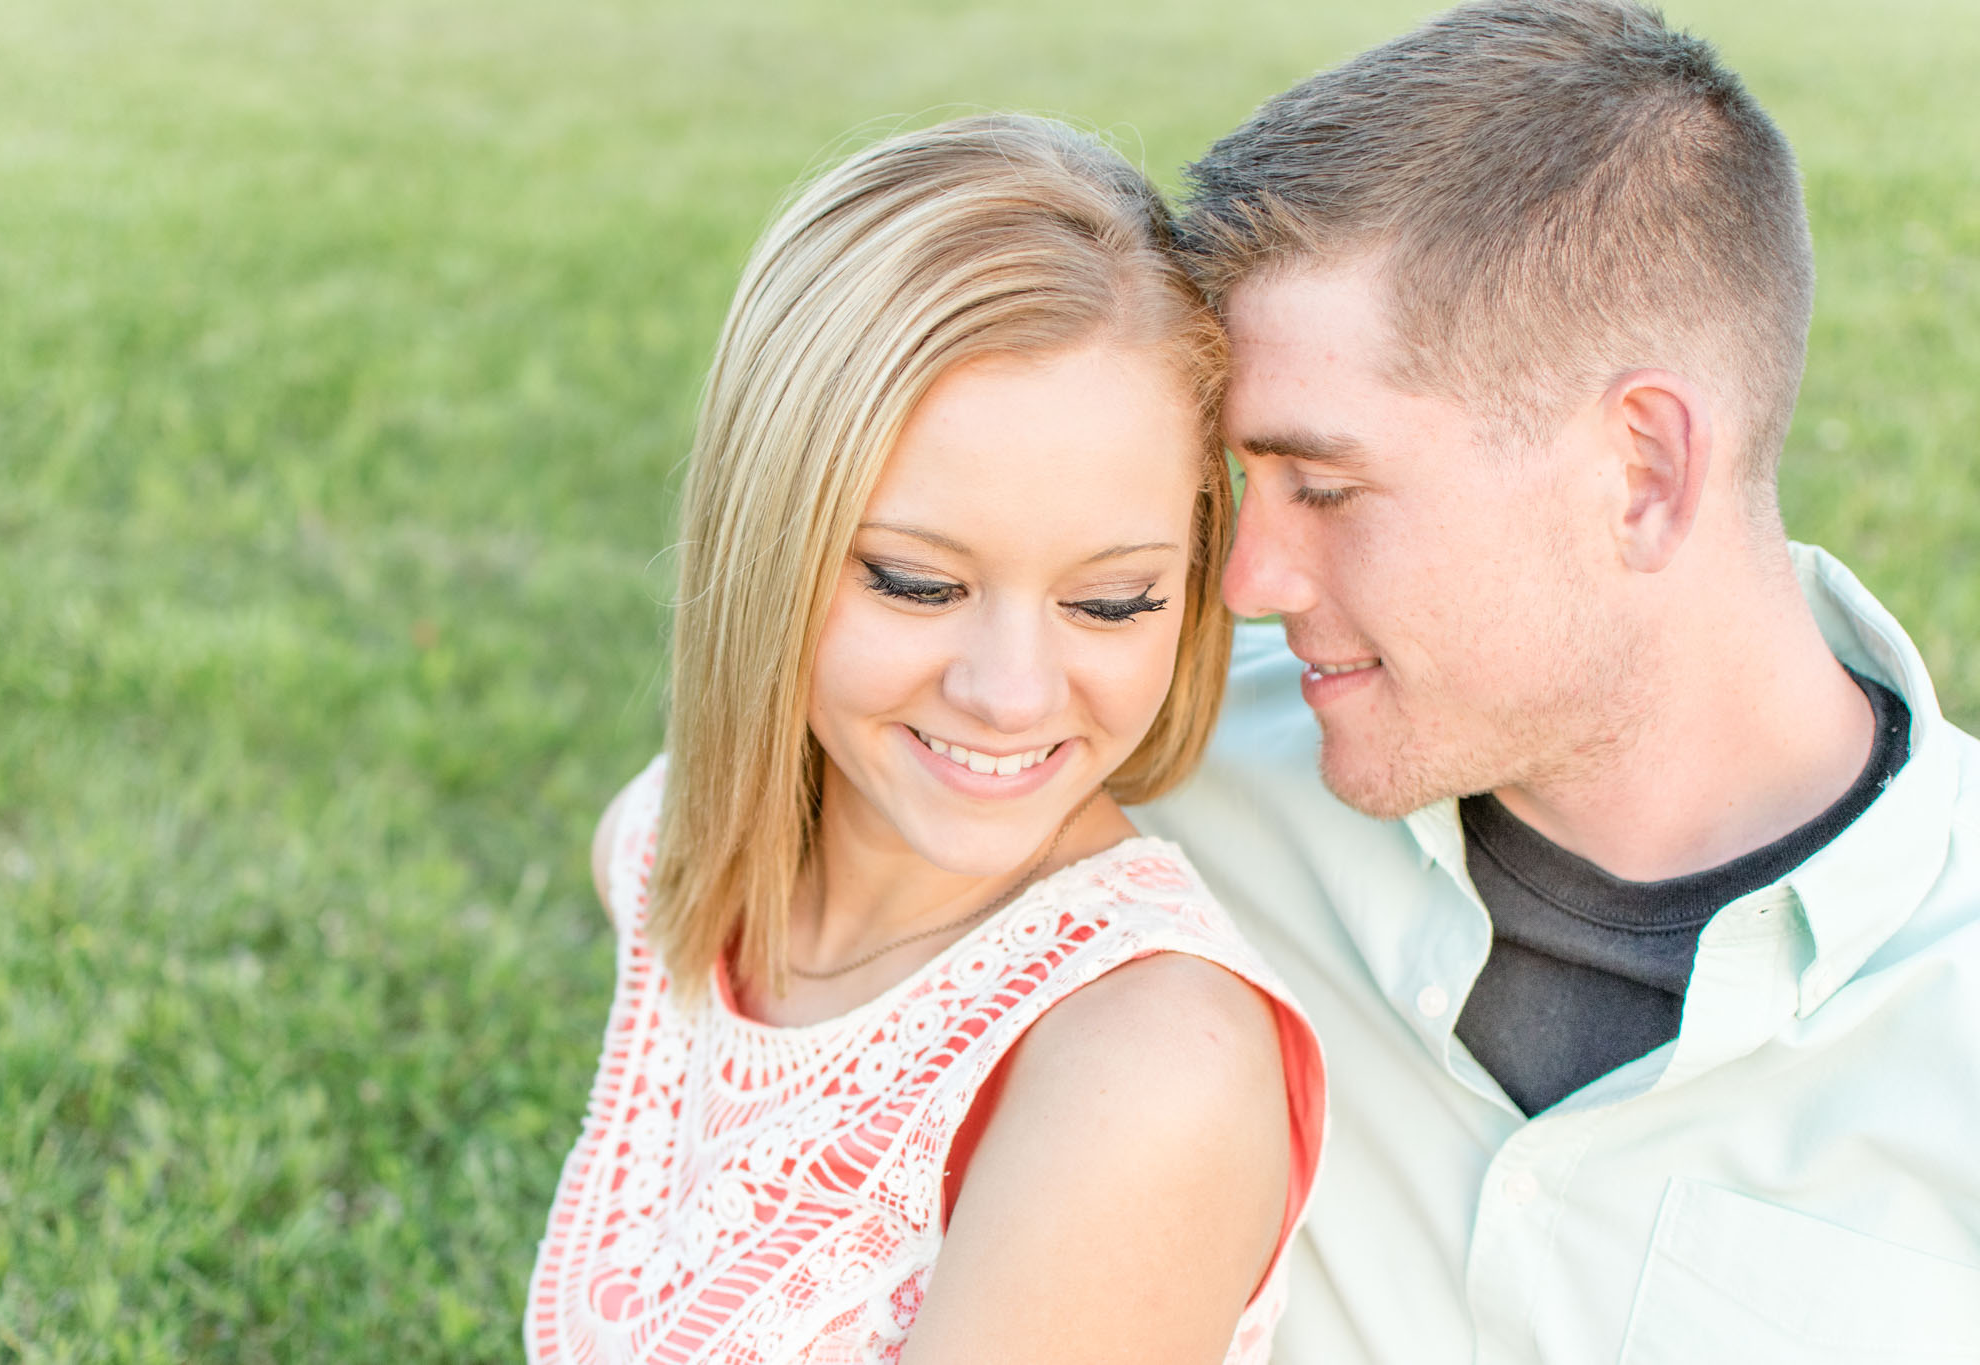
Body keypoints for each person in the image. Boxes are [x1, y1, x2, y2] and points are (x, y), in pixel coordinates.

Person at [1134, 2, 1980, 1361]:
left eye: (1327, 487)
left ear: (1641, 471)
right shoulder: (1163, 780)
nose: (1248, 581)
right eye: (1247, 483)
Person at [523, 115, 1326, 1365]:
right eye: (914, 581)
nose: (1010, 695)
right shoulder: (658, 849)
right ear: (764, 544)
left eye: (1109, 601)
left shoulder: (1141, 1073)